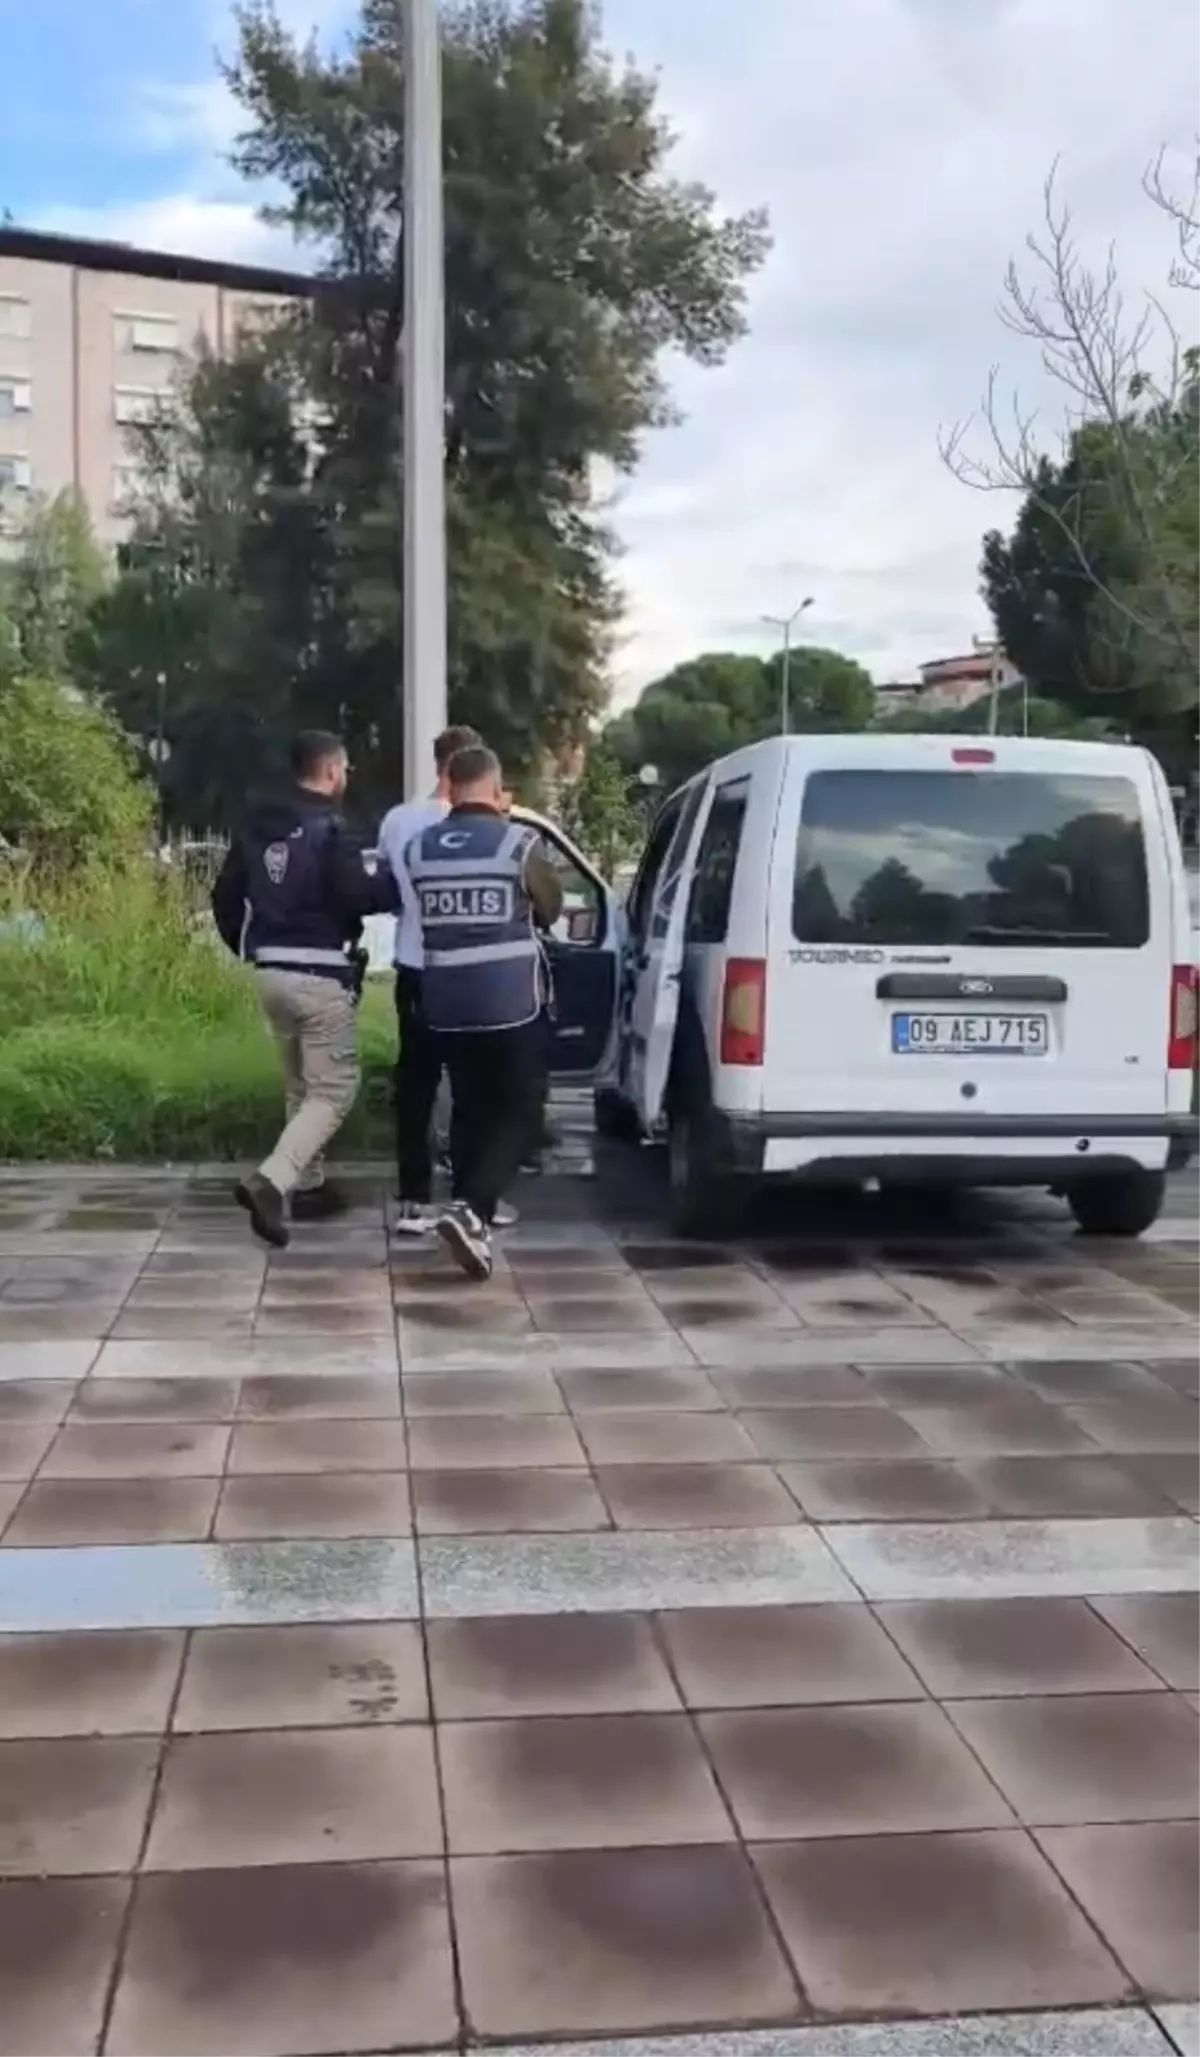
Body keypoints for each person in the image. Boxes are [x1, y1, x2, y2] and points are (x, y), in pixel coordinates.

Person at [211, 729, 395, 1250]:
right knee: (334, 1088)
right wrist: (389, 884)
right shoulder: (335, 830)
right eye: (345, 769)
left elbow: (224, 896)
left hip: (271, 972)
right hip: (320, 973)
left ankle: (308, 1186)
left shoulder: (257, 827)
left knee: (300, 1085)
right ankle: (271, 1182)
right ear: (332, 770)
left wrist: (251, 947)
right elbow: (357, 895)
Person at [406, 743, 562, 1279]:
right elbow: (550, 908)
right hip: (510, 1001)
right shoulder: (519, 843)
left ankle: (471, 1219)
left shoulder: (420, 849)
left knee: (470, 1107)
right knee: (521, 1108)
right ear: (497, 790)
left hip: (446, 1002)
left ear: (448, 787)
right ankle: (472, 1209)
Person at [376, 723, 480, 1234]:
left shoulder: (398, 820)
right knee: (470, 1083)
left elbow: (385, 887)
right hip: (466, 972)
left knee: (416, 1083)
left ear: (437, 762)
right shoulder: (482, 825)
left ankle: (413, 1198)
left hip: (413, 964)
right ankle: (469, 1198)